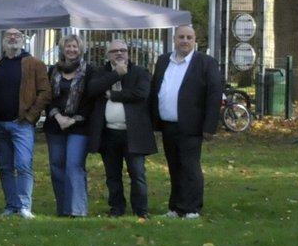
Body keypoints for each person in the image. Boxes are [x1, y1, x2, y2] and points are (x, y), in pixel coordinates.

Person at [150, 24, 225, 219]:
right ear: (174, 39)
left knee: (190, 167)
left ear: (195, 41)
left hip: (191, 126)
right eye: (181, 37)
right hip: (168, 124)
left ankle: (192, 208)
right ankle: (176, 207)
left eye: (189, 38)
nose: (184, 41)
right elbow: (156, 89)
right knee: (174, 166)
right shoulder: (164, 60)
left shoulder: (206, 62)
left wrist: (209, 126)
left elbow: (214, 95)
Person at [88, 39, 155, 217]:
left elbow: (141, 94)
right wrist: (116, 74)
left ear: (128, 53)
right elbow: (92, 89)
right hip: (108, 133)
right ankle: (116, 208)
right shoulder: (99, 72)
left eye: (123, 50)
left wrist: (113, 95)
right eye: (115, 50)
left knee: (137, 174)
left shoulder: (140, 72)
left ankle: (141, 210)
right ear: (107, 55)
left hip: (133, 133)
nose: (119, 53)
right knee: (112, 175)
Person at [0, 28, 52, 218]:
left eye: (16, 35)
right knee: (5, 167)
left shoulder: (34, 64)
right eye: (9, 35)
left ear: (23, 40)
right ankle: (11, 206)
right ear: (3, 41)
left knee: (23, 165)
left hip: (22, 124)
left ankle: (25, 206)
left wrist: (30, 116)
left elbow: (45, 92)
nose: (13, 38)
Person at [43, 35, 97, 218]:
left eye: (75, 47)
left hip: (79, 126)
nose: (71, 50)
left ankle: (78, 209)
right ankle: (63, 209)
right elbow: (48, 97)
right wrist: (58, 116)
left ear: (80, 49)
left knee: (74, 165)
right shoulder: (53, 70)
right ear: (62, 49)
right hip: (55, 124)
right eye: (68, 46)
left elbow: (90, 99)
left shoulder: (89, 70)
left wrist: (73, 119)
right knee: (57, 166)